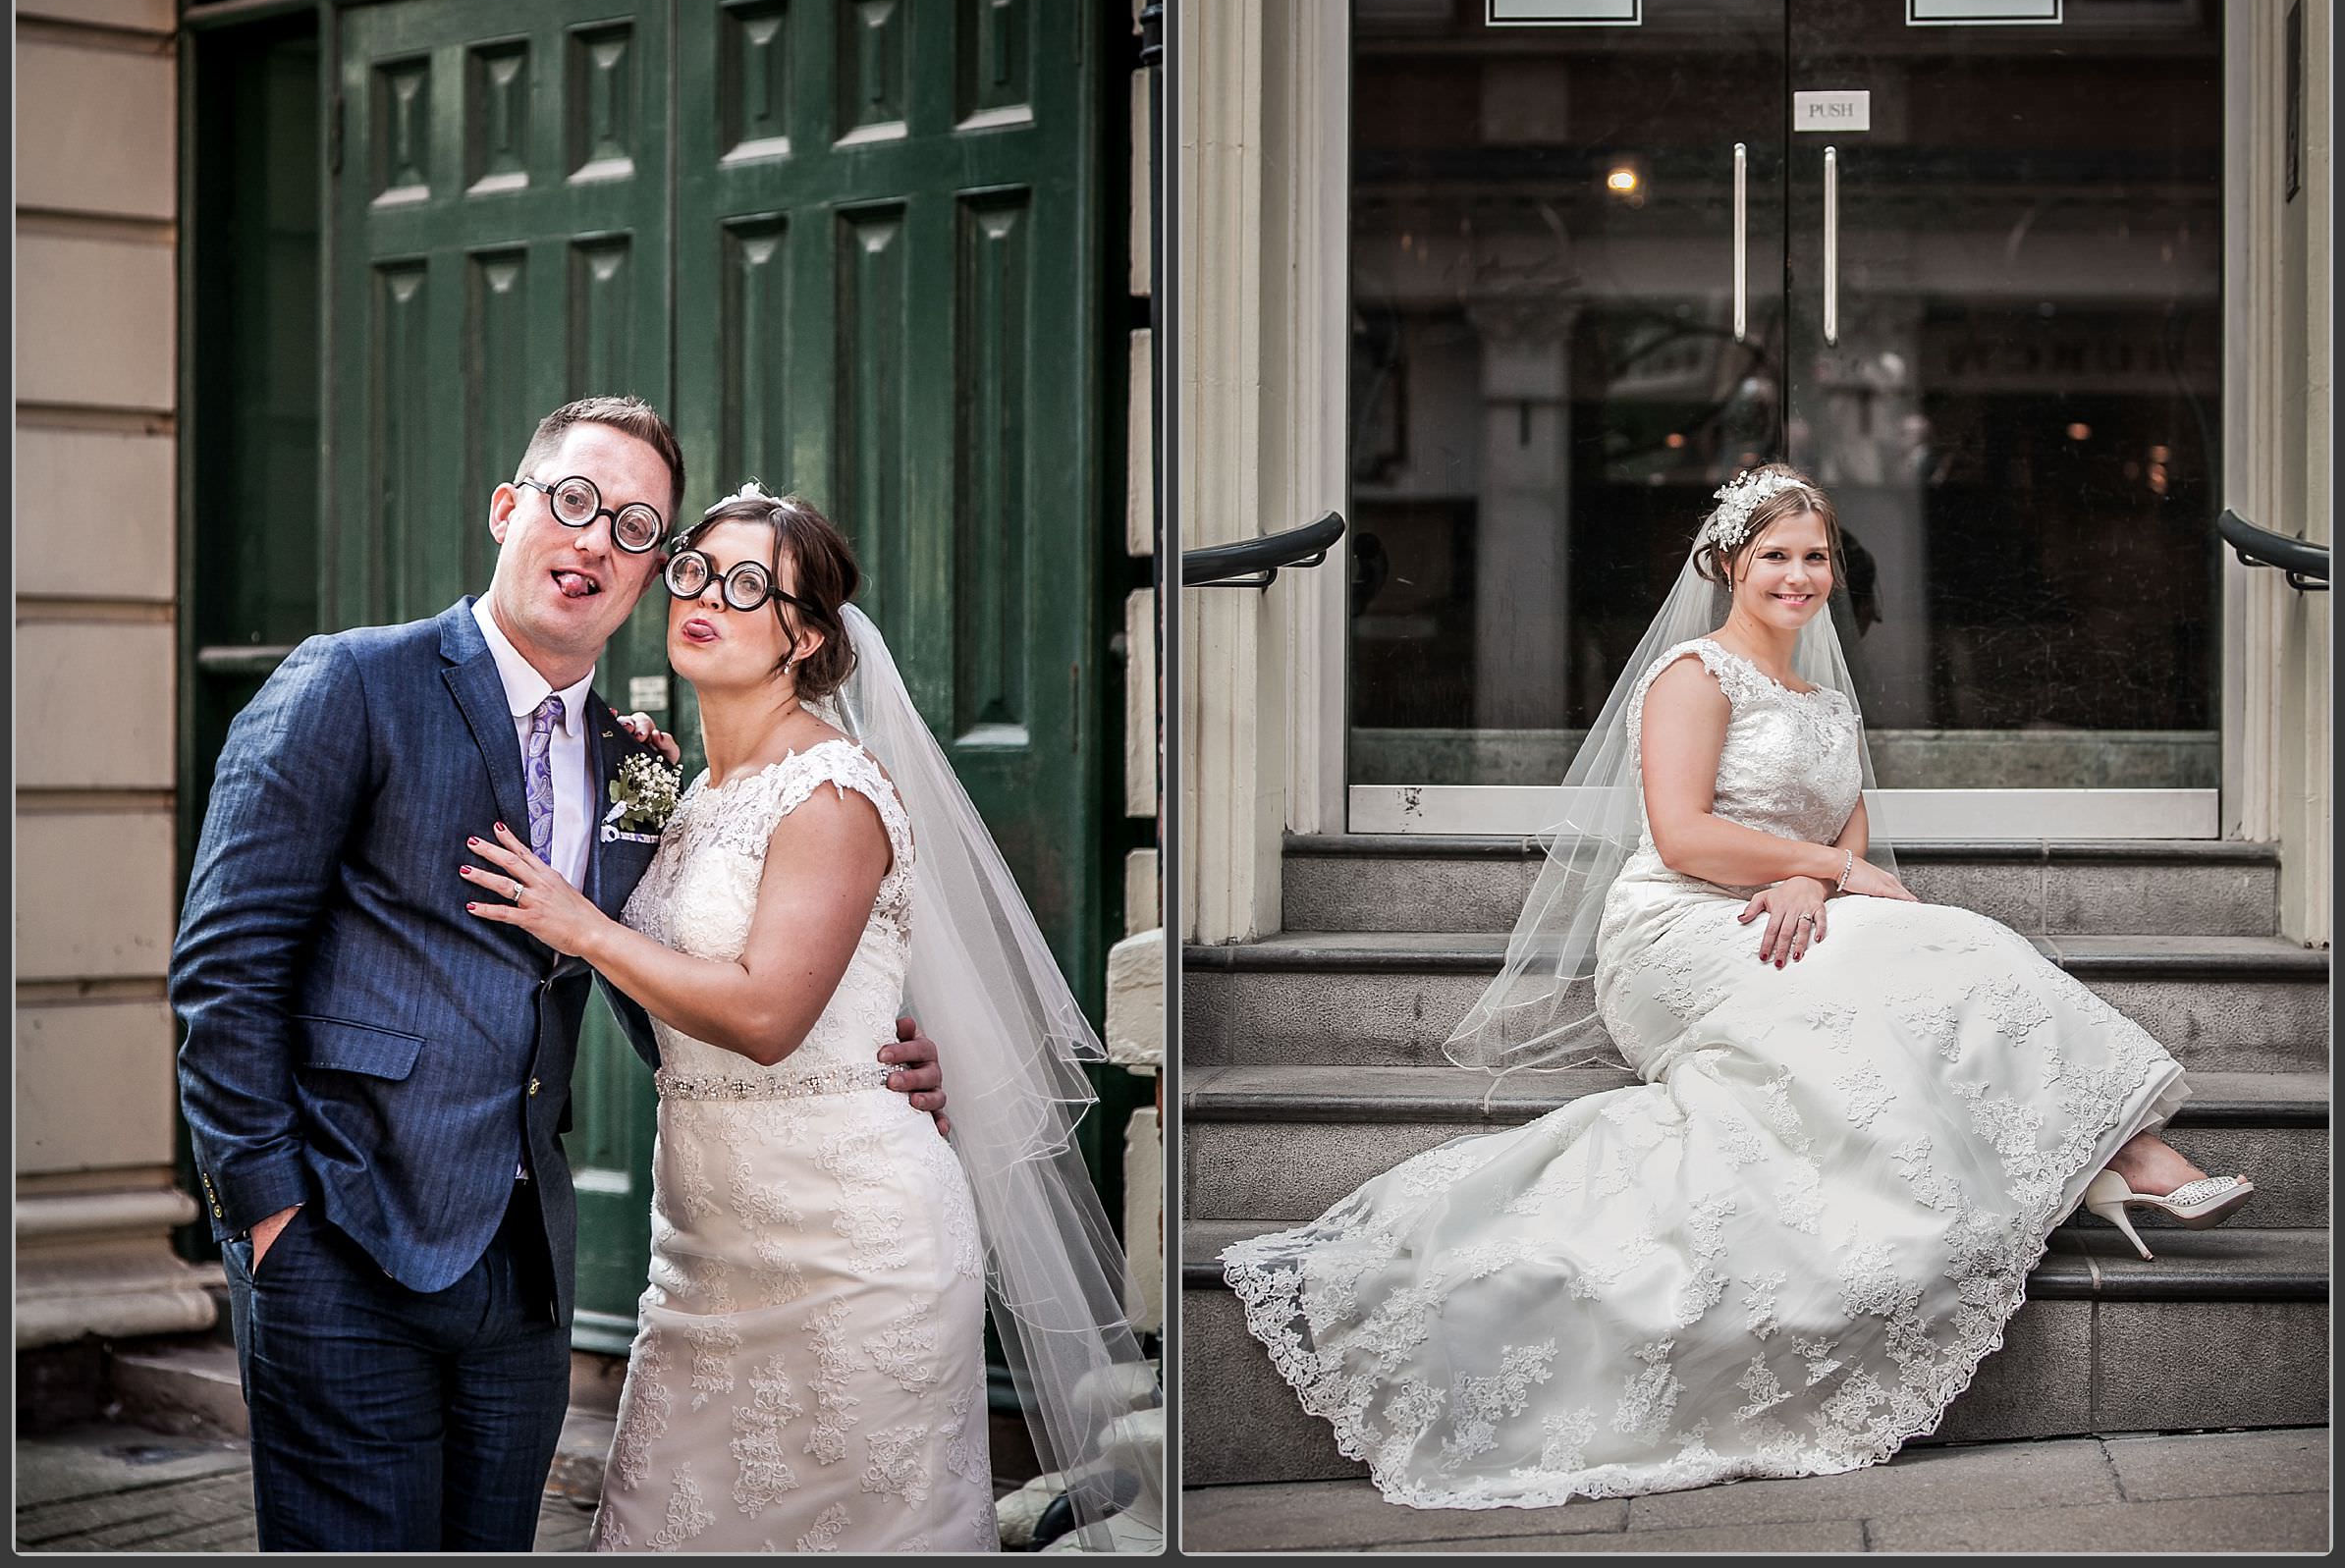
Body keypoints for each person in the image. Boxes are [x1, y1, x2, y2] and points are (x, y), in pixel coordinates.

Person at [1220, 463, 2253, 1509]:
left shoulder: (1825, 701)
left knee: (1949, 947)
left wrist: (1823, 875)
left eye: (1816, 558)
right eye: (1776, 557)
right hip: (1675, 929)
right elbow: (1684, 834)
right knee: (1949, 946)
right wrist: (1823, 873)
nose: (1799, 577)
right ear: (1726, 563)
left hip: (1781, 907)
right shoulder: (1693, 677)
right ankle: (2127, 1156)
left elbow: (1843, 827)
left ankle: (2114, 1152)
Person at [168, 400, 948, 1551]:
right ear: (509, 510)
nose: (593, 539)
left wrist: (866, 1044)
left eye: (634, 526)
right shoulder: (349, 683)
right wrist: (269, 1214)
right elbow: (226, 969)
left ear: (644, 570)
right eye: (571, 503)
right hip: (343, 1243)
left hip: (526, 1281)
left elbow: (665, 967)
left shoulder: (637, 766)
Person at [459, 484, 1161, 1552]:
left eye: (751, 586)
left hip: (853, 1248)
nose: (706, 595)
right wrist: (632, 795)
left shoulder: (833, 794)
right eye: (693, 569)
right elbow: (625, 910)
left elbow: (768, 1013)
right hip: (702, 1248)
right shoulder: (681, 789)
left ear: (809, 635)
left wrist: (579, 928)